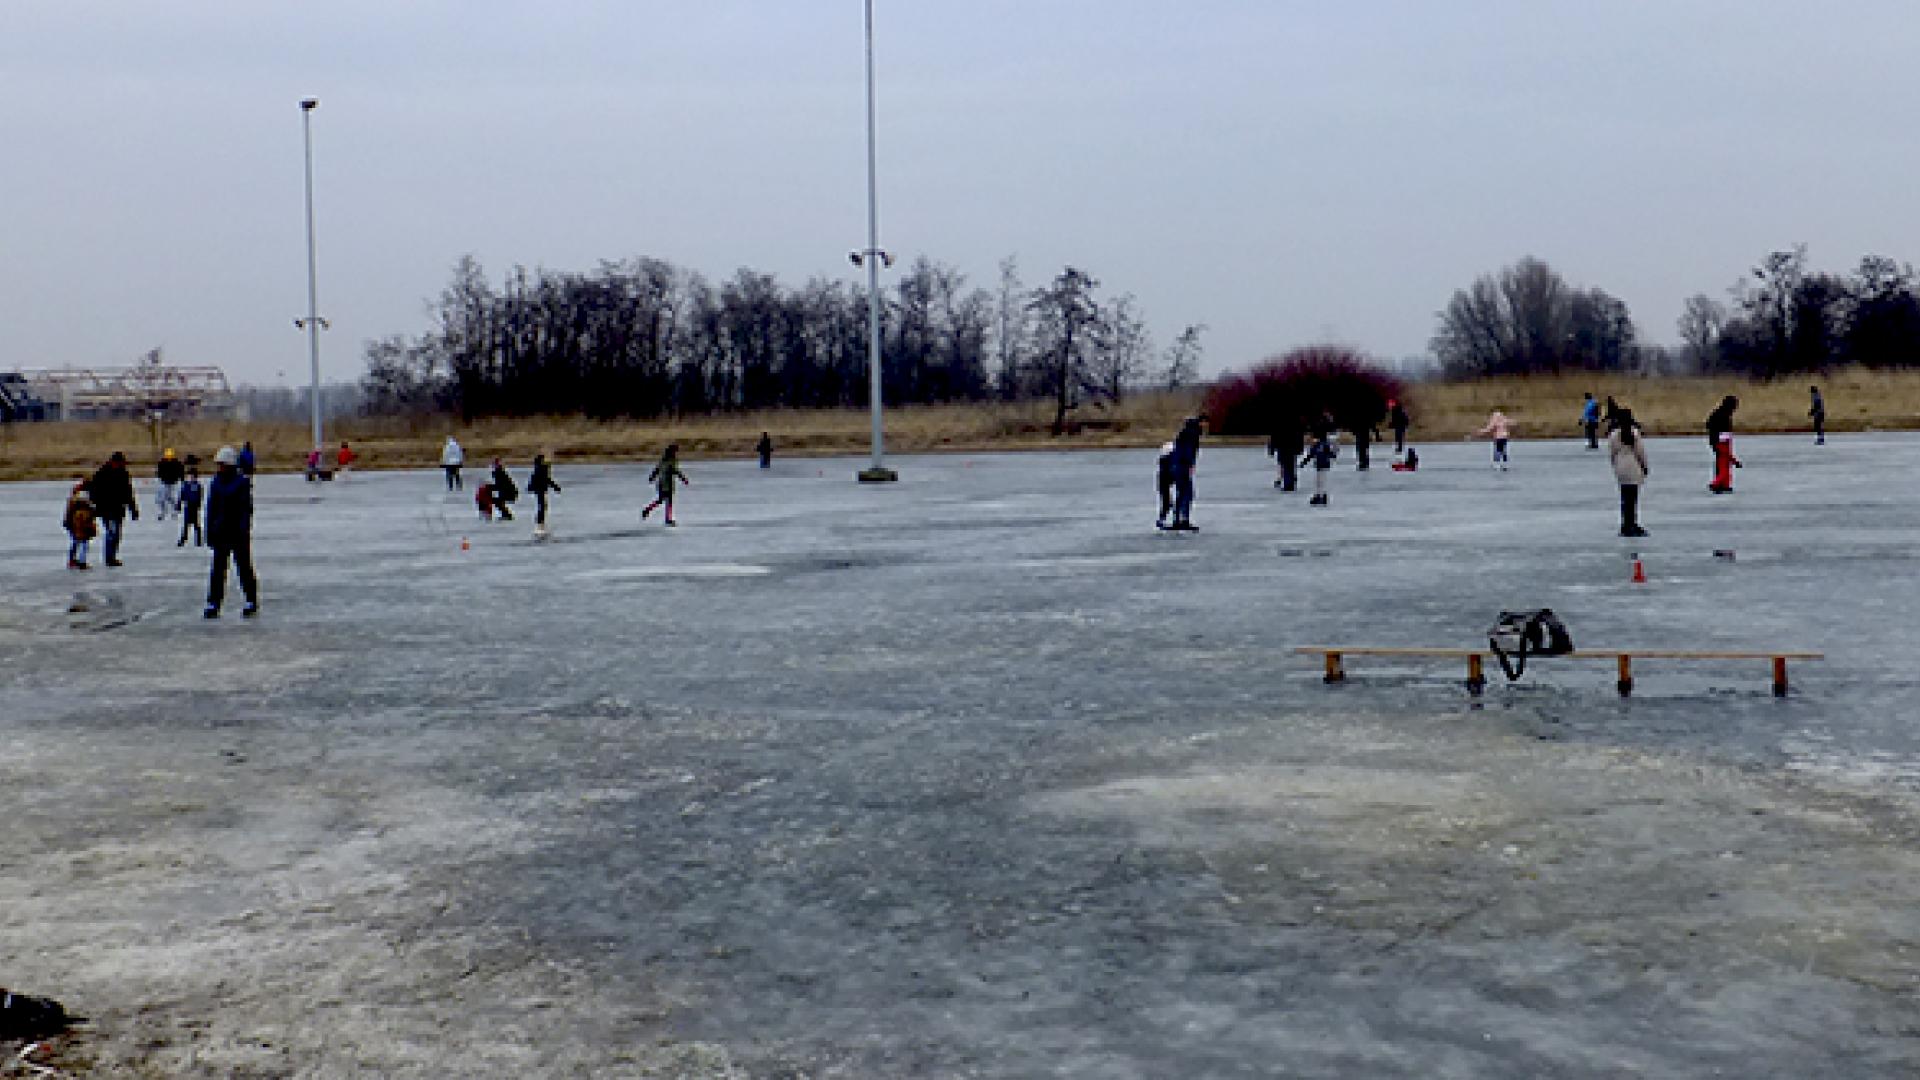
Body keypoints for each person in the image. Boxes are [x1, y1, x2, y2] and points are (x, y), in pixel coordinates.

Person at [204, 446, 259, 619]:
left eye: (222, 464)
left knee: (244, 568)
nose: (220, 468)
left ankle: (251, 599)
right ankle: (213, 602)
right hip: (220, 532)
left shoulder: (241, 483)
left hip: (237, 533)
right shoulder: (216, 483)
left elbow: (245, 509)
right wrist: (209, 531)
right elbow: (211, 508)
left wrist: (244, 529)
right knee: (218, 570)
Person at [89, 451, 139, 567]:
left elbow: (128, 492)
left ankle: (112, 556)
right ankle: (109, 558)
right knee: (112, 532)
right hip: (105, 509)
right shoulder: (101, 473)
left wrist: (133, 509)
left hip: (118, 509)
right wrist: (96, 505)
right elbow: (93, 491)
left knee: (116, 534)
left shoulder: (124, 474)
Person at [1609, 408, 1650, 537]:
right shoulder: (1634, 433)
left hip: (1621, 468)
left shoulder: (1614, 435)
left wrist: (1615, 466)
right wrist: (1645, 466)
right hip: (1633, 467)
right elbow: (1640, 453)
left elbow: (1612, 453)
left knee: (1625, 498)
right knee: (1633, 498)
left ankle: (1625, 524)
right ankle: (1632, 524)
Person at [1164, 415, 1204, 531]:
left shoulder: (1184, 434)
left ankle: (1177, 519)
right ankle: (1183, 520)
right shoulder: (1191, 434)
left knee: (1182, 493)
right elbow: (1187, 452)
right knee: (1187, 493)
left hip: (1178, 467)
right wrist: (1189, 465)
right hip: (1182, 467)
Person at [643, 444, 690, 526]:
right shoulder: (672, 460)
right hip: (668, 483)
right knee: (669, 501)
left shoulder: (663, 460)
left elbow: (657, 470)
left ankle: (648, 509)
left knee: (661, 499)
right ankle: (668, 519)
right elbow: (675, 470)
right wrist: (683, 478)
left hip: (661, 482)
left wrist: (652, 477)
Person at [1707, 395, 1741, 493]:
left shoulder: (1721, 414)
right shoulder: (1722, 415)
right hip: (1721, 442)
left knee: (1723, 463)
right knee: (1723, 466)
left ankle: (1724, 485)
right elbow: (1712, 427)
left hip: (1720, 441)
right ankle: (1716, 484)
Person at [63, 479, 96, 570]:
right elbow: (92, 509)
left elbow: (69, 511)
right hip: (82, 522)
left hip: (74, 522)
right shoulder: (86, 498)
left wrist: (67, 522)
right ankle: (82, 561)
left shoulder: (74, 496)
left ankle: (72, 560)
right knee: (84, 542)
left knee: (76, 541)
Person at [1304, 420, 1338, 506]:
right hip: (1318, 465)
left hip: (1324, 465)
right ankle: (1318, 495)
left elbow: (1331, 453)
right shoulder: (1316, 445)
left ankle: (1322, 496)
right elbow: (1311, 455)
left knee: (1322, 481)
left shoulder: (1324, 444)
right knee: (1317, 481)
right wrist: (1304, 462)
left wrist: (1332, 455)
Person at [1267, 415, 1303, 492]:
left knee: (1285, 464)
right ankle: (1290, 480)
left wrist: (1272, 448)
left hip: (1283, 445)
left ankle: (1288, 483)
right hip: (1291, 445)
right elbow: (1299, 434)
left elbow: (1274, 434)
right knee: (1290, 464)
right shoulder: (1296, 420)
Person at [527, 453, 562, 530]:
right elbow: (546, 479)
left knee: (542, 505)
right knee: (542, 505)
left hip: (539, 488)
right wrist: (555, 487)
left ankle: (540, 520)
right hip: (540, 488)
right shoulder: (542, 468)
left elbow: (543, 478)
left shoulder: (539, 467)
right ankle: (540, 521)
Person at [177, 465, 204, 547]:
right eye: (189, 476)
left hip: (194, 507)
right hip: (188, 507)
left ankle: (198, 541)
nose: (191, 477)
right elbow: (182, 494)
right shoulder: (186, 485)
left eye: (192, 476)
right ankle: (183, 539)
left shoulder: (197, 485)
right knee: (186, 525)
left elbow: (200, 495)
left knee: (197, 525)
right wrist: (179, 504)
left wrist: (198, 504)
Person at [155, 449, 184, 521]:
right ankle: (162, 512)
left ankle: (174, 512)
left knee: (172, 498)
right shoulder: (162, 463)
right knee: (161, 498)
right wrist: (159, 478)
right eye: (168, 456)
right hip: (164, 482)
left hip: (174, 483)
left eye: (170, 456)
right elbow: (158, 472)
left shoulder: (177, 463)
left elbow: (181, 472)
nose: (169, 458)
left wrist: (181, 480)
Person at [1154, 442, 1178, 526]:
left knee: (1167, 503)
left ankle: (1164, 519)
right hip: (1165, 480)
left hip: (1164, 481)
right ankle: (1165, 519)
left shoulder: (1163, 459)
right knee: (1167, 503)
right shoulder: (1168, 460)